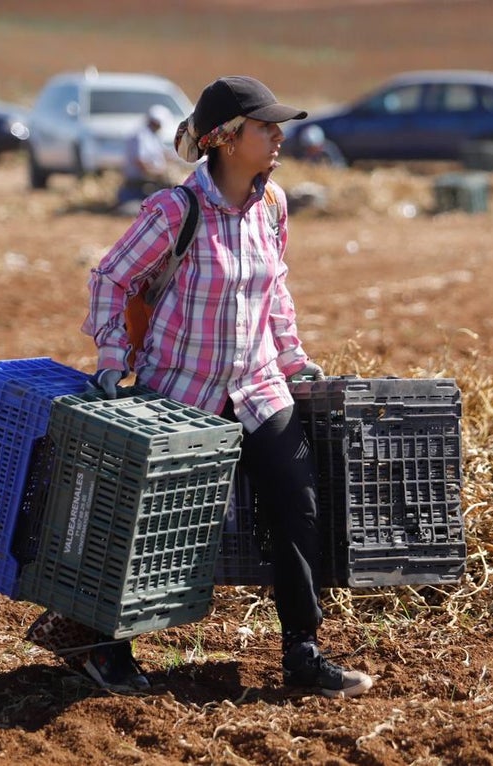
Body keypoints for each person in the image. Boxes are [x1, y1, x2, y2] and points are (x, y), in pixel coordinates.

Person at [63, 75, 373, 699]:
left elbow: (275, 290)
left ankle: (303, 652)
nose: (280, 136)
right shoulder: (176, 211)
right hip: (179, 391)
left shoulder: (274, 205)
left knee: (298, 501)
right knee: (152, 523)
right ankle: (104, 648)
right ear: (228, 141)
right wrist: (113, 353)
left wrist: (292, 359)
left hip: (257, 387)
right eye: (266, 127)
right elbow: (111, 278)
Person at [116, 104, 171, 206]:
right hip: (138, 185)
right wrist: (158, 173)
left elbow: (165, 153)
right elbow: (140, 162)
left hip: (148, 183)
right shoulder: (140, 135)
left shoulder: (153, 136)